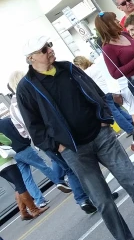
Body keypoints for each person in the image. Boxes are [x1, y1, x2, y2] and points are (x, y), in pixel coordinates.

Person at [16, 35, 134, 240]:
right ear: (31, 58)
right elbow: (34, 126)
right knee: (103, 200)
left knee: (132, 181)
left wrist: (104, 118)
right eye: (43, 48)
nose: (49, 50)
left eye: (49, 45)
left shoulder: (68, 68)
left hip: (101, 135)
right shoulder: (26, 88)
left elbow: (94, 91)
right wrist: (57, 146)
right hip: (74, 150)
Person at [8, 71, 97, 214]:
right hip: (57, 135)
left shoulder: (12, 109)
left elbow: (22, 132)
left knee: (69, 169)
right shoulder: (31, 95)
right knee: (82, 164)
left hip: (41, 143)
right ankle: (94, 195)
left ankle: (82, 199)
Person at [0, 116, 70, 208]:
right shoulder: (7, 121)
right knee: (43, 166)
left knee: (27, 178)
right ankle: (59, 182)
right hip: (24, 149)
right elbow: (20, 131)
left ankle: (40, 200)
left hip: (13, 154)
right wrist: (26, 142)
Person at [73, 56, 134, 132]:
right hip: (111, 89)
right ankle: (132, 122)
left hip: (103, 92)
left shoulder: (87, 72)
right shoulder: (95, 66)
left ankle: (130, 129)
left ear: (80, 64)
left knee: (114, 113)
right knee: (118, 109)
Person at [0, 134, 46, 221]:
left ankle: (24, 212)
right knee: (20, 185)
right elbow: (8, 141)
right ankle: (34, 210)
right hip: (6, 162)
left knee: (17, 186)